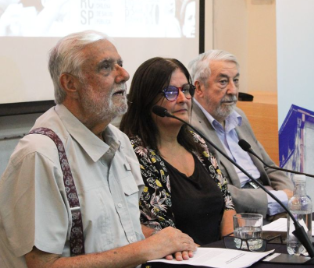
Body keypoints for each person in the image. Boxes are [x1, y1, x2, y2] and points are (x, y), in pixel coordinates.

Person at [0, 30, 196, 268]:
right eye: (106, 67)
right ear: (70, 83)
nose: (124, 75)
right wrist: (145, 249)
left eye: (120, 64)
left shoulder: (121, 141)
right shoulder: (40, 154)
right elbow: (42, 265)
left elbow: (120, 234)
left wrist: (164, 241)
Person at [119, 57, 236, 245]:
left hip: (219, 257)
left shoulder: (197, 142)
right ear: (147, 99)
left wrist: (232, 249)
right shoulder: (134, 154)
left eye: (186, 90)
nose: (183, 99)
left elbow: (227, 203)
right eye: (171, 92)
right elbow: (160, 231)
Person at [188, 50, 294, 220]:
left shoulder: (238, 116)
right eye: (223, 82)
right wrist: (277, 200)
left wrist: (288, 196)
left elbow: (269, 167)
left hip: (274, 207)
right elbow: (216, 190)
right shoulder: (189, 126)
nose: (233, 90)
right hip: (240, 217)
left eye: (235, 81)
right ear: (199, 87)